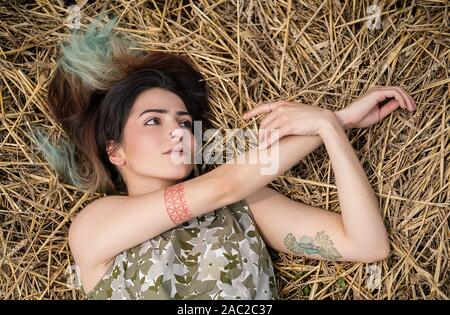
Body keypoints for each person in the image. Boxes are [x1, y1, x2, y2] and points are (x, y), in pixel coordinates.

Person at [36, 15, 417, 299]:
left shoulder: (243, 205)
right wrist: (340, 117)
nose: (178, 130)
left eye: (185, 122)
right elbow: (223, 184)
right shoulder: (95, 224)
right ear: (114, 150)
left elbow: (368, 245)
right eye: (154, 120)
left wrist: (332, 133)